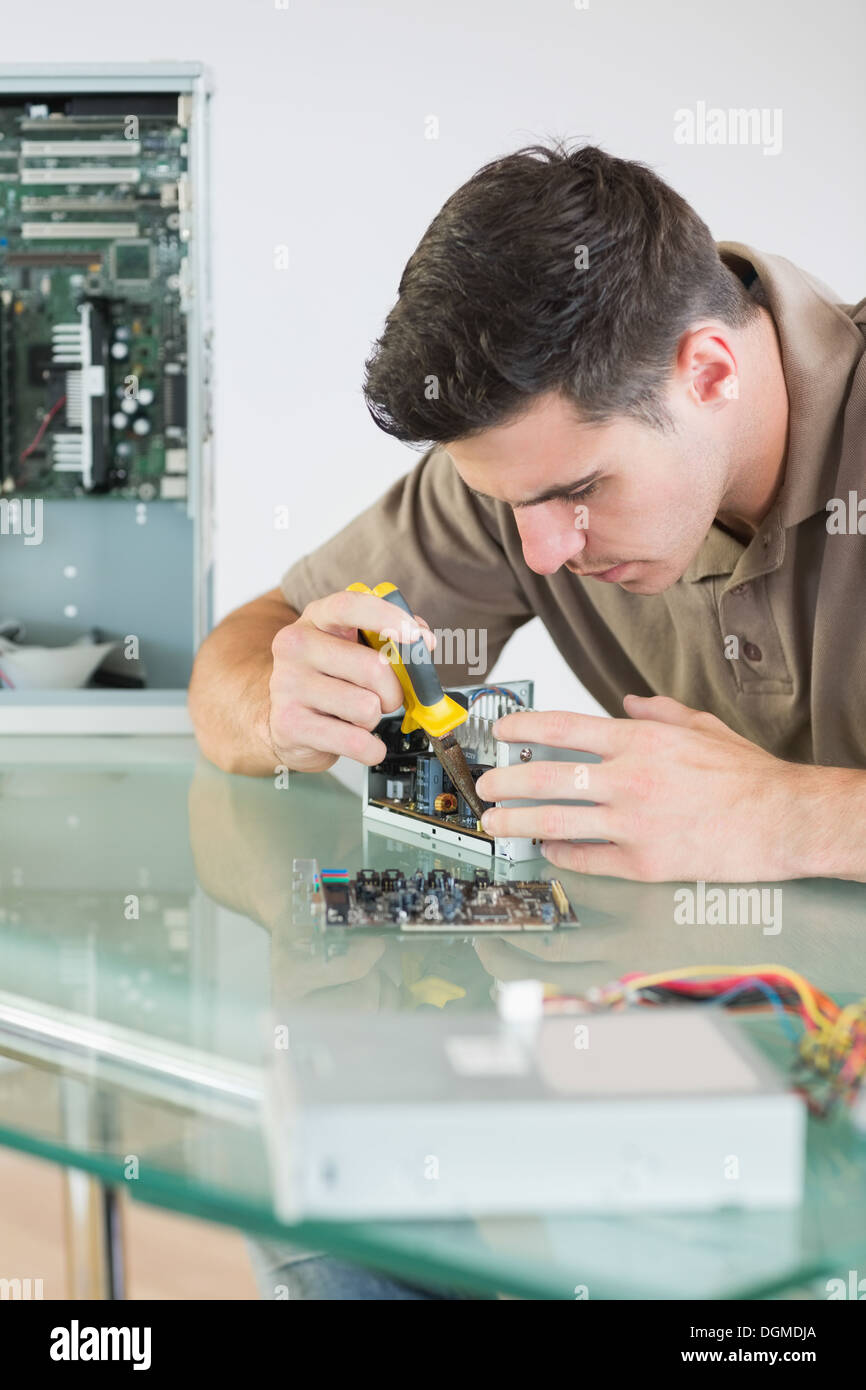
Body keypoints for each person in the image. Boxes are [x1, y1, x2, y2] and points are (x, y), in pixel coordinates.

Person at [189, 138, 866, 1298]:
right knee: (322, 1187)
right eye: (513, 506)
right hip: (694, 1055)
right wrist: (282, 697)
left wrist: (793, 816)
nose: (540, 548)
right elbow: (243, 649)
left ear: (708, 370)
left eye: (575, 493)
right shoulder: (527, 464)